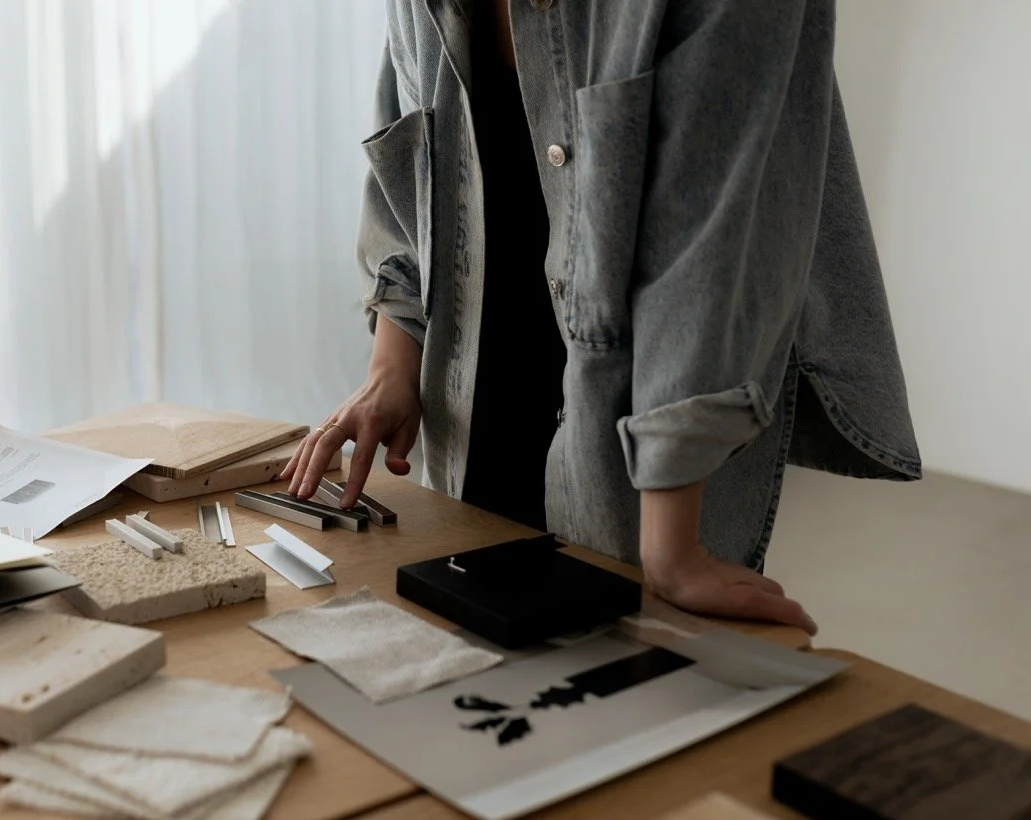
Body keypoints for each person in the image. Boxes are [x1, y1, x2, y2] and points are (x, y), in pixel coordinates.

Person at [282, 0, 920, 636]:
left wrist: (670, 547)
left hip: (636, 450)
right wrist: (392, 365)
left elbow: (712, 244)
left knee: (625, 688)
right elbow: (410, 152)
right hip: (471, 428)